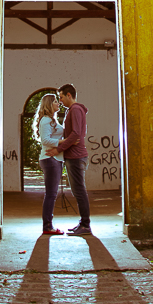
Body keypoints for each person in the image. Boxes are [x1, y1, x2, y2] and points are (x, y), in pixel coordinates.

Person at [52, 83, 90, 234]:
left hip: (75, 156)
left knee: (79, 190)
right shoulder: (75, 110)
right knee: (78, 190)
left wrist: (59, 148)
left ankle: (86, 225)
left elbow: (75, 133)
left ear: (69, 95)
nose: (60, 101)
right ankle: (83, 223)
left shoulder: (74, 109)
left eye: (61, 97)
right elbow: (77, 134)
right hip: (75, 155)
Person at [33, 93, 65, 235]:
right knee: (51, 194)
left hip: (54, 159)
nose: (59, 104)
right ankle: (47, 226)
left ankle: (48, 225)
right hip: (50, 159)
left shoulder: (52, 120)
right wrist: (64, 142)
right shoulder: (46, 120)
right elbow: (45, 140)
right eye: (56, 102)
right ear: (49, 104)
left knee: (51, 193)